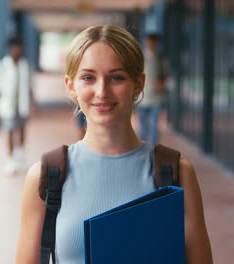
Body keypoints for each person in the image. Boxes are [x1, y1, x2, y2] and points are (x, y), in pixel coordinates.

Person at [15, 25, 212, 263]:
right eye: (88, 78)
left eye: (116, 77)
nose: (102, 91)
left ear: (138, 83)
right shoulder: (47, 176)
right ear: (70, 86)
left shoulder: (176, 173)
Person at [0, 37, 34, 174]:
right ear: (10, 49)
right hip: (7, 105)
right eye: (15, 47)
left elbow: (30, 88)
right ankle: (10, 160)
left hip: (22, 105)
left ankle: (19, 156)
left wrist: (33, 105)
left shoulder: (26, 66)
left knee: (21, 130)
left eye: (20, 47)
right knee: (8, 131)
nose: (18, 50)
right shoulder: (0, 66)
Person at [137, 33, 167, 147]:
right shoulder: (141, 58)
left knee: (154, 128)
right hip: (142, 98)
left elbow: (166, 75)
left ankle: (153, 153)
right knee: (142, 129)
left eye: (153, 42)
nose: (151, 44)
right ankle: (140, 151)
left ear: (157, 43)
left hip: (156, 99)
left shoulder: (161, 59)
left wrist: (162, 82)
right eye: (149, 42)